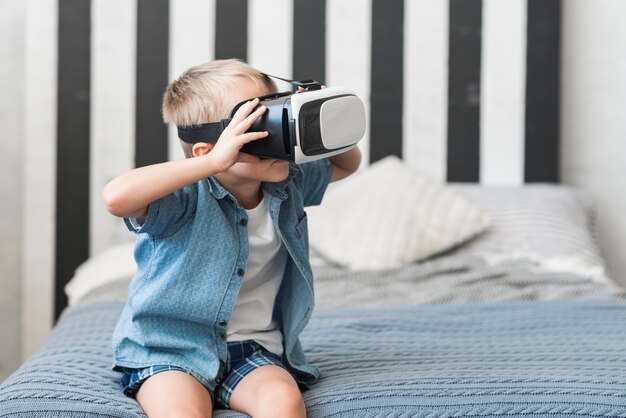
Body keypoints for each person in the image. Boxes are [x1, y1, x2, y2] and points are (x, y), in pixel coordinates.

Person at [102, 59, 361, 418]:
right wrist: (212, 165)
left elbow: (347, 164)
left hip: (254, 348)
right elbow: (117, 197)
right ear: (208, 151)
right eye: (255, 125)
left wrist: (317, 113)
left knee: (284, 403)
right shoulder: (185, 195)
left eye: (274, 111)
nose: (275, 134)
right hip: (171, 349)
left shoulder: (287, 181)